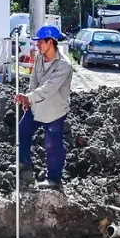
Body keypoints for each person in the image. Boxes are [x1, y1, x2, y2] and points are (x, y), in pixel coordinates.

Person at [13, 25, 73, 191]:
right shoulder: (39, 57)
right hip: (37, 106)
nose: (37, 45)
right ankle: (24, 161)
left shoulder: (64, 65)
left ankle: (54, 179)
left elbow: (49, 88)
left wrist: (29, 97)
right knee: (23, 131)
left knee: (52, 145)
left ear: (51, 42)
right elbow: (34, 79)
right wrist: (29, 100)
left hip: (54, 111)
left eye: (40, 42)